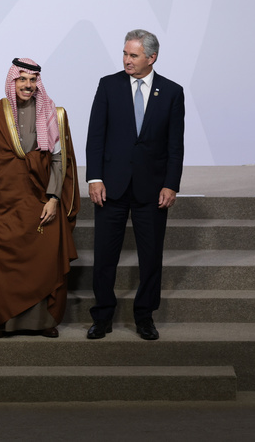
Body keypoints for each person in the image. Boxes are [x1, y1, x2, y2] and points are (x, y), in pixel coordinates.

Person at [0, 58, 80, 339]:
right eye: (21, 80)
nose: (27, 85)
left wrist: (54, 198)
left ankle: (43, 321)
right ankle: (2, 321)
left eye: (32, 80)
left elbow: (60, 160)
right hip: (4, 203)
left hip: (41, 201)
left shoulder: (53, 113)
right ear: (12, 82)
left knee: (44, 257)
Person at [86, 29, 185, 341]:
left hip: (152, 190)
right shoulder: (108, 85)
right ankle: (102, 316)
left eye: (134, 55)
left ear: (151, 58)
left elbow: (175, 145)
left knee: (151, 256)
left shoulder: (171, 92)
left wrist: (171, 184)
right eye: (125, 54)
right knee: (104, 257)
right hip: (111, 187)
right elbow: (95, 136)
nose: (127, 60)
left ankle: (144, 317)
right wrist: (95, 178)